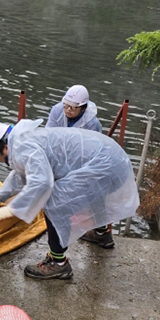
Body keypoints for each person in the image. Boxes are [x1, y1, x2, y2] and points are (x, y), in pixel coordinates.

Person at [0, 119, 139, 280]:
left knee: (54, 202)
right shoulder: (23, 140)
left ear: (4, 148)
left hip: (106, 166)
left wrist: (11, 209)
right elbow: (22, 173)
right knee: (90, 190)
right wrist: (0, 197)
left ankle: (58, 263)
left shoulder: (22, 148)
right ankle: (101, 233)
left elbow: (42, 183)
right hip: (113, 160)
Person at [46, 85, 115, 248]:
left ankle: (101, 234)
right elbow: (48, 136)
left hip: (84, 162)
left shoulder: (92, 124)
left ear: (82, 108)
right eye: (66, 106)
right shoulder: (57, 111)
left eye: (73, 108)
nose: (68, 111)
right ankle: (101, 233)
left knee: (90, 195)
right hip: (61, 157)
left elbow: (87, 154)